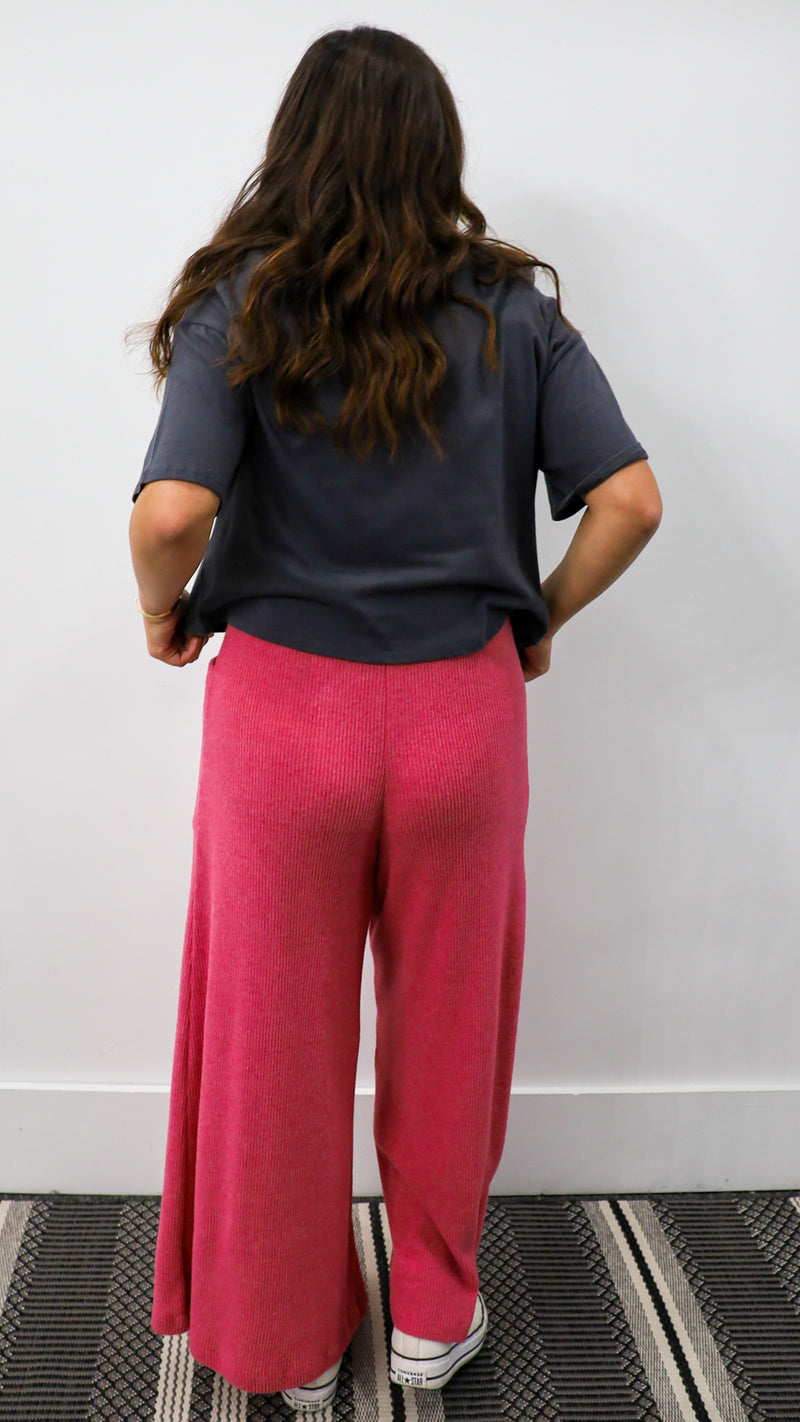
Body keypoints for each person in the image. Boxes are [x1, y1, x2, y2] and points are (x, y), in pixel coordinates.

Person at [127, 23, 661, 1411]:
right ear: (439, 149)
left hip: (281, 715)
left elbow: (173, 514)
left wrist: (160, 611)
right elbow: (631, 500)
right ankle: (431, 1314)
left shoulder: (243, 300)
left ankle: (289, 1341)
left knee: (273, 1035)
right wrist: (539, 614)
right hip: (461, 716)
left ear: (293, 146)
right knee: (450, 1023)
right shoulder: (512, 309)